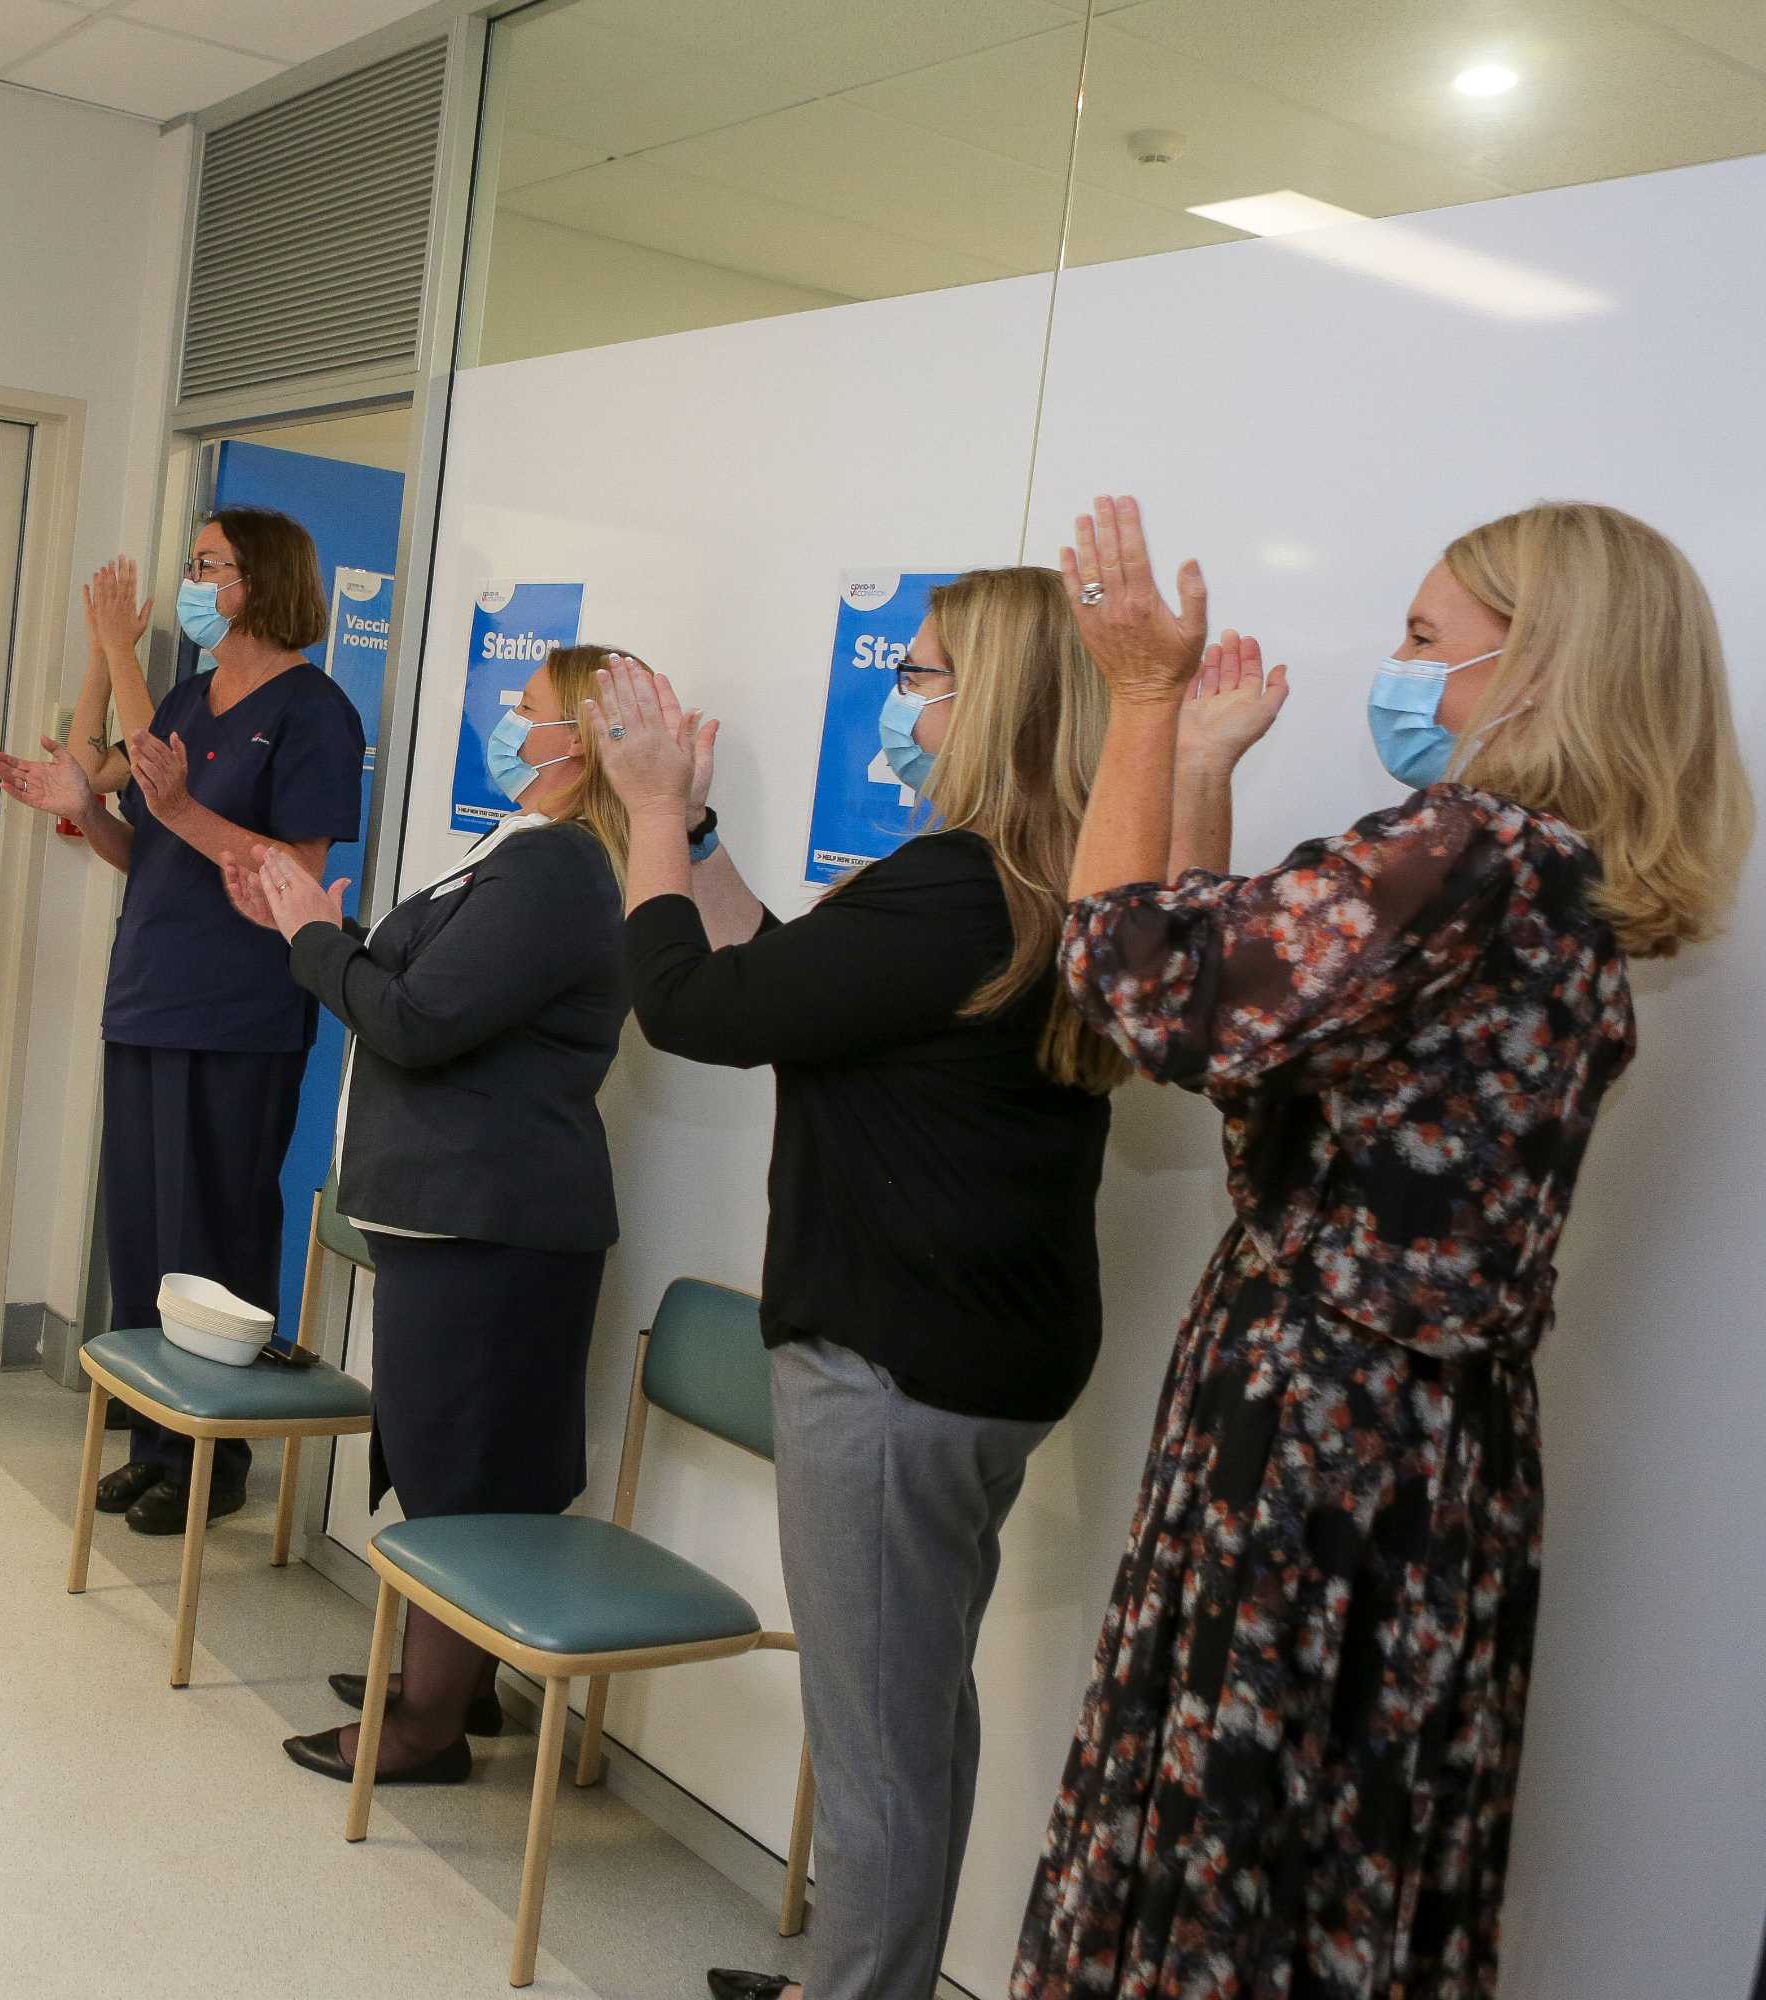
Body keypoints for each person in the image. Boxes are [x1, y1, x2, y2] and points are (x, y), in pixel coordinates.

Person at [1013, 498, 1752, 1999]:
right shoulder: (1558, 889)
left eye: (1429, 639)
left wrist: (1145, 707)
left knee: (1227, 1823)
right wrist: (1206, 777)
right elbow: (1241, 1049)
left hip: (1309, 1429)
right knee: (1332, 1843)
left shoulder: (1468, 850)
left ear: (1542, 668)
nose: (1400, 668)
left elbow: (1129, 973)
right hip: (1435, 1448)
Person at [579, 574, 1126, 2000]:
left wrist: (641, 823)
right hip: (980, 1362)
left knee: (879, 1751)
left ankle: (859, 1984)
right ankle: (866, 1972)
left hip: (893, 1367)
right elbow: (785, 972)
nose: (906, 699)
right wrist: (695, 837)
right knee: (915, 1712)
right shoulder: (1043, 881)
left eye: (929, 673)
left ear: (996, 699)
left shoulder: (954, 888)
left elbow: (694, 1007)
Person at [230, 644, 638, 1785]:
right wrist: (309, 929)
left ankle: (430, 1724)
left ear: (586, 742)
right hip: (457, 1216)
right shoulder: (520, 853)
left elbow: (415, 1021)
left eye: (531, 710)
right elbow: (416, 990)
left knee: (468, 1477)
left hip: (495, 1224)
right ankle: (446, 1677)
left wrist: (316, 939)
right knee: (447, 1460)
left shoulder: (561, 867)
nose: (510, 722)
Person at [0, 511, 366, 1534]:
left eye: (206, 567)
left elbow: (293, 872)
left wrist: (180, 803)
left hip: (240, 1007)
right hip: (150, 989)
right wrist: (87, 807)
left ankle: (215, 1451)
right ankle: (156, 1437)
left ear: (262, 580)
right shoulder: (197, 694)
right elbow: (144, 847)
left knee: (218, 1230)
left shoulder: (315, 711)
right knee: (148, 1231)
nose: (190, 584)